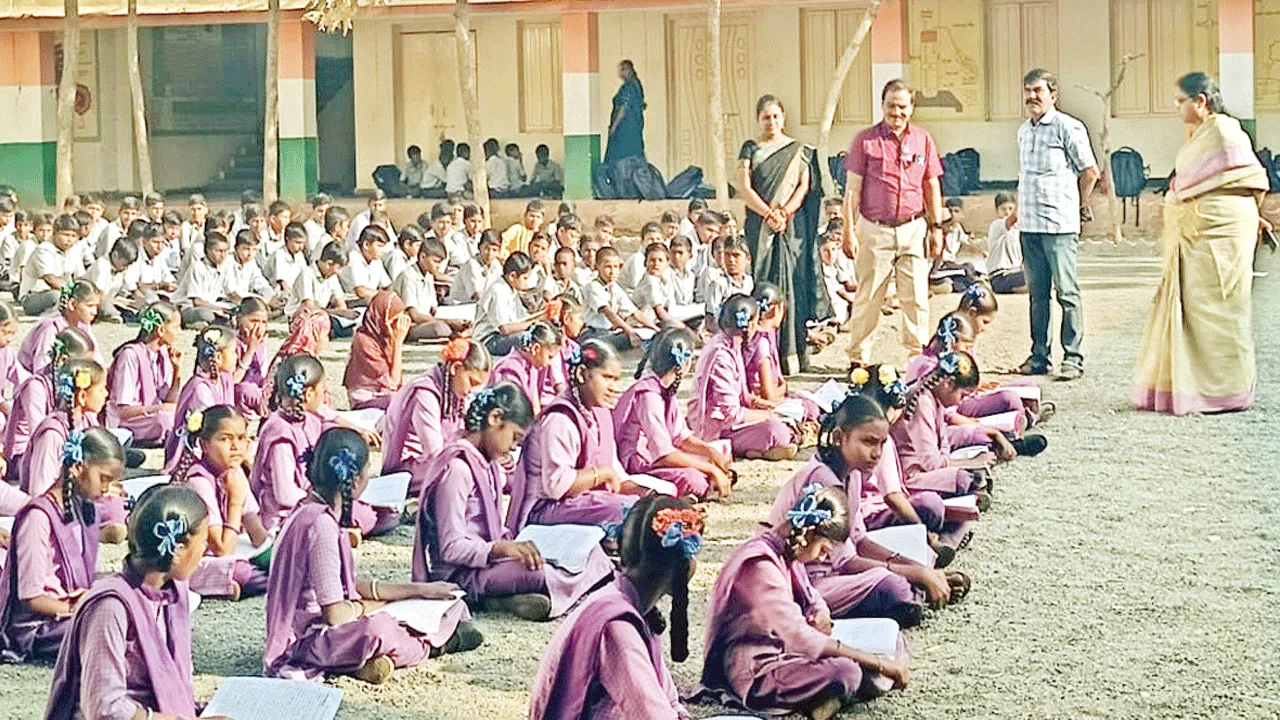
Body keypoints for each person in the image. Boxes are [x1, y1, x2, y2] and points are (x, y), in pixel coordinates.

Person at [264, 428, 481, 683]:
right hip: (308, 640)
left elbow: (344, 587)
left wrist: (419, 590)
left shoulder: (307, 509)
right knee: (379, 628)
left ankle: (364, 663)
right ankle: (436, 645)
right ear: (355, 481)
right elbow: (335, 614)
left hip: (320, 628)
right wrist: (371, 607)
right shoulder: (321, 525)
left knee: (439, 601)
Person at [700, 486, 910, 718]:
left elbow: (812, 597)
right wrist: (876, 662)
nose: (822, 558)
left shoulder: (788, 552)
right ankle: (834, 694)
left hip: (790, 652)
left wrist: (821, 612)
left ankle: (831, 697)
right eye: (823, 550)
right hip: (755, 669)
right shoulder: (760, 566)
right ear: (807, 534)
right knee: (846, 671)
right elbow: (800, 638)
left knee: (892, 642)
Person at [413, 382, 613, 622]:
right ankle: (485, 599)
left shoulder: (486, 464)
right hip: (462, 572)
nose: (513, 447)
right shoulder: (458, 469)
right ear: (495, 418)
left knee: (593, 554)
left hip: (489, 561)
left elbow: (492, 529)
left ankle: (513, 597)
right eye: (515, 437)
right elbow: (451, 547)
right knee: (538, 573)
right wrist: (500, 548)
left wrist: (516, 543)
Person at [1133, 72, 1267, 415]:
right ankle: (1190, 387)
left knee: (1222, 307)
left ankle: (1226, 390)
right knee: (1193, 307)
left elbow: (1250, 178)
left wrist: (1254, 217)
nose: (1176, 106)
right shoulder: (1200, 135)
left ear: (1200, 101)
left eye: (1181, 100)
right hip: (1197, 231)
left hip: (1223, 230)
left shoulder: (1223, 130)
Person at [44, 484, 219, 720]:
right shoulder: (110, 607)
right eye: (203, 541)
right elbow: (105, 708)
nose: (205, 549)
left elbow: (172, 687)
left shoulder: (173, 592)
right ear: (178, 550)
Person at [528, 495, 701, 719]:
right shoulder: (617, 626)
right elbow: (652, 713)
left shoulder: (634, 607)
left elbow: (668, 699)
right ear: (682, 566)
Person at [843, 79, 946, 374]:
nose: (896, 113)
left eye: (902, 107)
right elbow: (852, 190)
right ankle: (858, 357)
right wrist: (849, 231)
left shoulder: (923, 140)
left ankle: (918, 358)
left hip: (913, 228)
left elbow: (931, 185)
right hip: (875, 229)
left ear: (911, 108)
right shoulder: (865, 141)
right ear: (882, 105)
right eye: (891, 106)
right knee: (869, 296)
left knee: (916, 297)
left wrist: (937, 227)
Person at [0, 429, 121, 663]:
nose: (106, 489)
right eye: (104, 478)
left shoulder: (84, 509)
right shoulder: (38, 517)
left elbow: (79, 580)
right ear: (78, 468)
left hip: (71, 609)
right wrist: (78, 608)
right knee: (108, 626)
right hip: (38, 626)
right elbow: (32, 598)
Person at [1016, 69, 1100, 381]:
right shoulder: (1024, 131)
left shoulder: (1067, 127)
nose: (1032, 96)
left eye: (1038, 90)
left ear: (1053, 95)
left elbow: (1089, 171)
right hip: (1030, 224)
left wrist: (1079, 206)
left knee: (1066, 292)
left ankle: (1073, 358)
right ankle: (1039, 356)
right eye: (1028, 91)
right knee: (1037, 294)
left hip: (1059, 225)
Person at [253, 355, 396, 537]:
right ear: (309, 394)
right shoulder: (280, 431)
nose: (325, 395)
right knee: (367, 515)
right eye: (323, 389)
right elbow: (284, 494)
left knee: (378, 512)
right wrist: (322, 500)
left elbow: (328, 414)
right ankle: (342, 531)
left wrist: (357, 430)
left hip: (312, 499)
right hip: (286, 514)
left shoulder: (309, 418)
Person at [505, 340, 638, 534]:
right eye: (607, 377)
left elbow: (615, 469)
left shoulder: (601, 413)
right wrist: (601, 473)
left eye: (616, 380)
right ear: (582, 374)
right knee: (625, 511)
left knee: (646, 507)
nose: (613, 387)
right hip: (545, 510)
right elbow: (557, 486)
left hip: (581, 502)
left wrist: (643, 493)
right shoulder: (560, 418)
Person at [739, 94, 817, 374]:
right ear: (758, 120)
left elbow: (803, 186)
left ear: (783, 118)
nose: (771, 122)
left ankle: (791, 354)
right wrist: (768, 214)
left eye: (775, 116)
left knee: (791, 286)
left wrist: (784, 213)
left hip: (790, 228)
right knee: (762, 284)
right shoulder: (751, 149)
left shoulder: (799, 151)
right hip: (760, 227)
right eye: (766, 117)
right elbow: (744, 187)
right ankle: (760, 356)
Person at [613, 327, 733, 499]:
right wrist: (710, 469)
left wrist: (710, 453)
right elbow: (662, 455)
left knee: (720, 453)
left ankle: (711, 480)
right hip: (642, 461)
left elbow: (681, 437)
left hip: (662, 454)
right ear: (685, 363)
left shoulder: (665, 389)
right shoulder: (648, 395)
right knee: (694, 480)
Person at [168, 405, 270, 600]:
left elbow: (257, 533)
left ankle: (254, 582)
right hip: (194, 557)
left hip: (222, 552)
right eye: (225, 439)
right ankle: (223, 585)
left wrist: (274, 554)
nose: (235, 446)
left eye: (241, 438)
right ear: (204, 445)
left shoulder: (234, 472)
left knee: (279, 559)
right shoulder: (199, 481)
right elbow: (222, 550)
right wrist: (235, 502)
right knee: (240, 570)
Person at [687, 294, 797, 461]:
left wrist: (759, 404)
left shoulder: (732, 344)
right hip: (715, 428)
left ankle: (759, 449)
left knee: (791, 413)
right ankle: (749, 448)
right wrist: (767, 415)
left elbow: (740, 396)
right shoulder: (721, 356)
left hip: (731, 420)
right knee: (777, 430)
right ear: (751, 324)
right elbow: (731, 414)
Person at [381, 338, 491, 496]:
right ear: (456, 368)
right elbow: (435, 453)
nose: (471, 391)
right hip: (409, 468)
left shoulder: (455, 393)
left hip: (439, 459)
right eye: (472, 382)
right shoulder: (425, 393)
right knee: (463, 470)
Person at [892, 351, 989, 499]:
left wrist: (948, 459)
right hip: (912, 475)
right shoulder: (922, 401)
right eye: (962, 395)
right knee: (962, 479)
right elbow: (930, 463)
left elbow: (943, 443)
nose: (960, 402)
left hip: (931, 466)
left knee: (977, 446)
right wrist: (970, 462)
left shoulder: (935, 398)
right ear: (948, 383)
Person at [6, 328, 94, 484]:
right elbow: (39, 435)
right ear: (65, 360)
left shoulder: (70, 387)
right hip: (24, 454)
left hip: (59, 444)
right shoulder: (35, 386)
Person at [105, 303, 181, 448]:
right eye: (176, 327)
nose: (179, 332)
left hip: (153, 415)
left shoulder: (164, 354)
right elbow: (123, 411)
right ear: (161, 330)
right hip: (129, 421)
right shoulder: (130, 355)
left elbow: (169, 401)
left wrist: (176, 370)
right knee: (164, 419)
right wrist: (160, 409)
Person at [164, 326, 238, 472]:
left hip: (221, 439)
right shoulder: (200, 388)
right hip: (200, 446)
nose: (237, 356)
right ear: (218, 357)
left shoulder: (225, 379)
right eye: (234, 352)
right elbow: (212, 426)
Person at [343, 290, 411, 410]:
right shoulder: (364, 341)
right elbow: (392, 383)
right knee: (398, 402)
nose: (396, 327)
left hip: (385, 395)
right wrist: (398, 343)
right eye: (393, 321)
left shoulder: (385, 338)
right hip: (366, 399)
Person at [18, 279, 102, 375]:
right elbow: (42, 367)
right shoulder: (50, 328)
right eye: (90, 306)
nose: (94, 312)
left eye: (96, 306)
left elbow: (95, 356)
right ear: (72, 304)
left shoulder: (83, 324)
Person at [474, 251, 540, 357]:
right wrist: (532, 324)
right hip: (488, 339)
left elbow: (521, 319)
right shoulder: (498, 291)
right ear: (512, 276)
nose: (526, 282)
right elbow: (504, 328)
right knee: (525, 338)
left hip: (503, 336)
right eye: (525, 278)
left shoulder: (512, 290)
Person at [486, 322, 561, 415]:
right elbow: (512, 411)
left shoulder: (532, 369)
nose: (550, 364)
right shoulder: (510, 370)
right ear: (536, 349)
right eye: (549, 357)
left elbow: (535, 407)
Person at [604, 60, 647, 168]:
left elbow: (624, 108)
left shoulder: (628, 87)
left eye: (623, 70)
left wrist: (614, 127)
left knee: (621, 158)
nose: (620, 73)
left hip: (625, 130)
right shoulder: (636, 85)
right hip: (635, 127)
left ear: (629, 70)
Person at [985, 192, 1026, 293]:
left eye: (1010, 209)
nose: (1007, 212)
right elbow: (1011, 219)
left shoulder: (1018, 229)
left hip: (1015, 273)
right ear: (997, 210)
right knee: (1036, 277)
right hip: (1000, 276)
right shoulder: (997, 225)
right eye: (1003, 209)